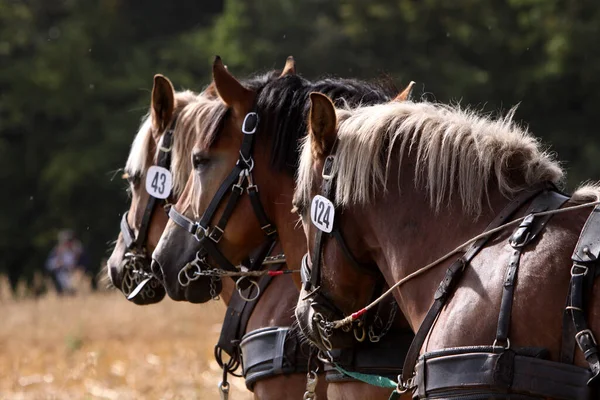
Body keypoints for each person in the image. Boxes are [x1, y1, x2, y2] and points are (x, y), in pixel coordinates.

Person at [45, 230, 83, 295]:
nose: (68, 243)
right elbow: (48, 265)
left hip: (74, 277)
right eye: (67, 241)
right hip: (61, 277)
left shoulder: (77, 251)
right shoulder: (56, 252)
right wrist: (57, 264)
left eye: (70, 241)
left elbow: (83, 265)